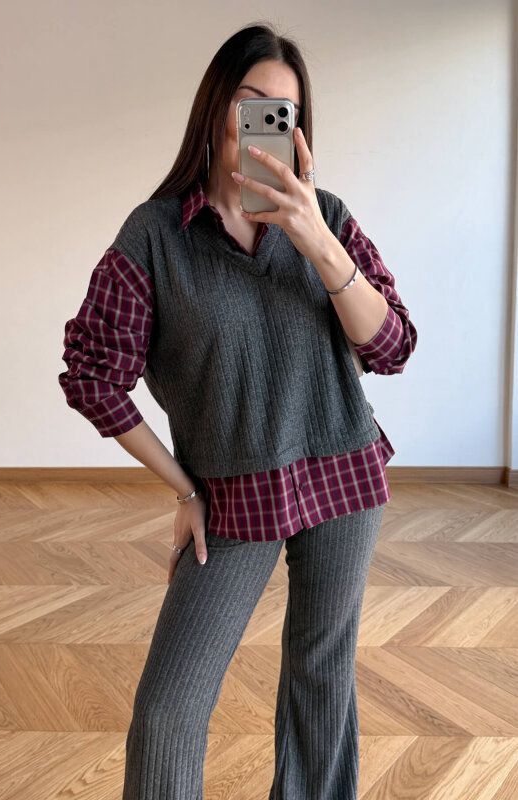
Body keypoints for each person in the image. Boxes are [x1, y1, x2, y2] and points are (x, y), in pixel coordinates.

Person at [58, 21, 417, 800]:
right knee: (168, 712)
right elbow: (91, 375)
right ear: (215, 104)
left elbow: (390, 347)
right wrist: (183, 488)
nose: (266, 125)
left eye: (284, 113)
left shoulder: (327, 216)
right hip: (232, 495)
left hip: (343, 477)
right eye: (252, 103)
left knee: (320, 678)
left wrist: (317, 241)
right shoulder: (155, 236)